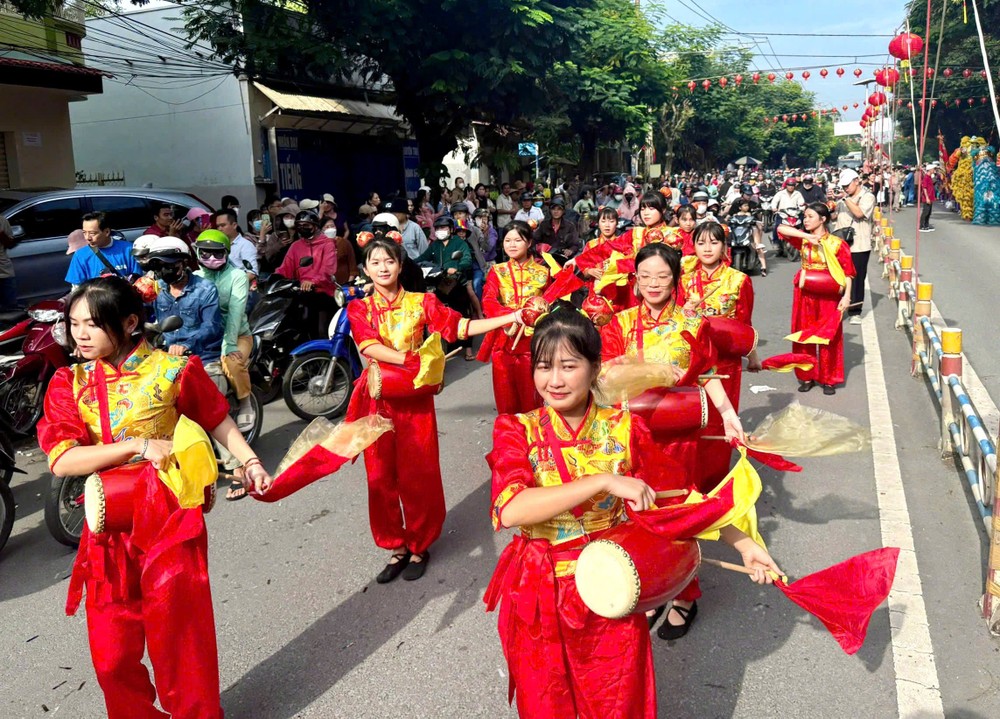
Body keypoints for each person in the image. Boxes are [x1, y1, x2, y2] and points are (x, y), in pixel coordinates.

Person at [486, 305, 779, 718]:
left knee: (615, 701)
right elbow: (513, 509)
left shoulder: (624, 429)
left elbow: (678, 498)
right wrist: (604, 481)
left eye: (569, 366)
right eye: (543, 367)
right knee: (546, 704)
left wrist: (744, 543)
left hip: (610, 587)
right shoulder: (517, 430)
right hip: (539, 592)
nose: (554, 380)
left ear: (594, 367)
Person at [36, 275, 271, 719]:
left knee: (181, 646)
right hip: (107, 529)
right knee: (111, 658)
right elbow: (63, 460)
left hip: (169, 522)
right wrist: (136, 447)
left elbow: (217, 419)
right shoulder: (69, 383)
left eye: (92, 324)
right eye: (73, 323)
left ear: (128, 323)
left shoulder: (173, 371)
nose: (79, 334)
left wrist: (249, 461)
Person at [346, 236, 521, 582]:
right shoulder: (359, 308)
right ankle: (395, 545)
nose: (383, 268)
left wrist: (507, 319)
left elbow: (459, 327)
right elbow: (368, 346)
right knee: (379, 477)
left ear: (400, 266)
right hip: (377, 400)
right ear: (366, 269)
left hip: (415, 401)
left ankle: (418, 544)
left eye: (389, 261)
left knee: (419, 475)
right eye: (375, 262)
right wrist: (412, 360)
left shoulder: (422, 301)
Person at [777, 203, 855, 395]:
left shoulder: (838, 244)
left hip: (829, 294)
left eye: (811, 216)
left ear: (823, 219)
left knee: (830, 336)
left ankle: (829, 379)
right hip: (806, 294)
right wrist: (806, 236)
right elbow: (780, 228)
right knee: (804, 335)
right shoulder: (804, 240)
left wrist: (846, 297)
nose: (806, 220)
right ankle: (806, 376)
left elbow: (848, 273)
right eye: (805, 216)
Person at [477, 220, 550, 414]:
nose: (512, 244)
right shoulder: (497, 271)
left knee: (532, 400)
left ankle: (535, 441)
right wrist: (510, 318)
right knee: (505, 400)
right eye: (508, 240)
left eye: (518, 240)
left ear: (529, 243)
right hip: (503, 341)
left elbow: (552, 304)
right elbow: (489, 300)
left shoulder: (543, 273)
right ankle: (509, 441)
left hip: (533, 343)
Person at [567, 192, 681, 312]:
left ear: (663, 210)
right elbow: (609, 247)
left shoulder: (674, 236)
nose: (646, 213)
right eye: (643, 208)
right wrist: (578, 260)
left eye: (651, 208)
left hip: (662, 291)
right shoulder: (635, 233)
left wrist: (620, 266)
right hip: (634, 294)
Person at [193, 229, 254, 434]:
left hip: (237, 335)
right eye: (205, 253)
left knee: (232, 363)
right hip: (204, 337)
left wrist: (228, 345)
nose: (211, 258)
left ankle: (245, 402)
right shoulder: (194, 278)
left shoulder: (238, 276)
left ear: (227, 253)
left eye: (217, 253)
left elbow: (236, 313)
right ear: (197, 253)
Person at [148, 237, 223, 364]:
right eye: (159, 266)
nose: (164, 270)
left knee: (214, 380)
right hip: (168, 356)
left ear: (184, 263)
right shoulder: (156, 289)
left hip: (202, 356)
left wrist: (186, 345)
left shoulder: (205, 289)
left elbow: (211, 325)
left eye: (169, 265)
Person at [274, 210, 340, 338]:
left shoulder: (327, 244)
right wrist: (273, 278)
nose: (302, 228)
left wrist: (313, 281)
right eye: (299, 225)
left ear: (315, 226)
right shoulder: (295, 246)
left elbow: (328, 268)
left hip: (323, 292)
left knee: (322, 331)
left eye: (306, 225)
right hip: (301, 292)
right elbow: (285, 267)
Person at [418, 216, 476, 359]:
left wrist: (455, 267)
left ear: (450, 230)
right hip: (438, 283)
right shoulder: (435, 245)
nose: (440, 231)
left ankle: (468, 347)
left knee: (462, 314)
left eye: (443, 228)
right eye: (437, 229)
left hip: (456, 283)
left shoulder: (459, 243)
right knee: (438, 313)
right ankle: (446, 343)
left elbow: (467, 260)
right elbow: (422, 258)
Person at [832, 168, 875, 325]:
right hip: (840, 243)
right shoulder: (844, 199)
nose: (845, 189)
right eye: (843, 186)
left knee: (856, 278)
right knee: (837, 276)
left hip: (859, 244)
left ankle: (855, 310)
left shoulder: (867, 196)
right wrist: (830, 206)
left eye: (847, 185)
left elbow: (859, 213)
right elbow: (833, 216)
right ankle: (838, 307)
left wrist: (845, 199)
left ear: (857, 181)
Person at [67, 212, 141, 287]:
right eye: (84, 233)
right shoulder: (80, 255)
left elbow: (139, 281)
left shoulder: (128, 249)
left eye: (92, 233)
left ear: (107, 232)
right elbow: (77, 288)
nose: (87, 238)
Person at [214, 208, 258, 282]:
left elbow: (251, 273)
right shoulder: (218, 245)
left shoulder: (245, 245)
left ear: (234, 225)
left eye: (223, 225)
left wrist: (234, 286)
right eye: (218, 226)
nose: (220, 229)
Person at [322, 217, 358, 284]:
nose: (330, 229)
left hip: (344, 283)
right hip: (326, 285)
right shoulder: (318, 246)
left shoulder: (345, 243)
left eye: (332, 226)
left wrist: (348, 284)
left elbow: (352, 266)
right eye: (327, 227)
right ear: (321, 230)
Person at [0, 213, 18, 311]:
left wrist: (2, 235)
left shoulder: (2, 220)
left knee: (10, 307)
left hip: (3, 271)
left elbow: (10, 244)